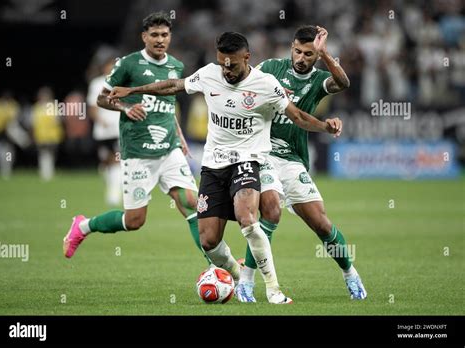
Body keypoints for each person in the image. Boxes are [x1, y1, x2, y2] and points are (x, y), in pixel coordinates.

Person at [109, 31, 343, 304]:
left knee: (248, 218)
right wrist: (133, 90)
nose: (227, 69)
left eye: (232, 63)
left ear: (247, 58)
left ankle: (273, 289)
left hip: (247, 161)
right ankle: (235, 270)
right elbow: (173, 85)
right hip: (213, 166)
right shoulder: (209, 74)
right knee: (208, 240)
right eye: (222, 63)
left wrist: (325, 126)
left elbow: (298, 116)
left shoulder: (266, 84)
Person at [236, 25, 367, 303]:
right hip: (263, 153)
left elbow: (343, 83)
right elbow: (243, 88)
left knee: (321, 224)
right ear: (291, 48)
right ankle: (246, 281)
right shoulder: (271, 67)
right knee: (270, 209)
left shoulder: (319, 78)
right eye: (297, 51)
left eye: (309, 54)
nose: (301, 58)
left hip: (293, 159)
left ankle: (350, 274)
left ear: (316, 55)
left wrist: (326, 54)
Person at [63, 12, 205, 263]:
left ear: (170, 37)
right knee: (134, 220)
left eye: (164, 35)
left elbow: (169, 105)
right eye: (154, 35)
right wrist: (126, 107)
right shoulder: (128, 64)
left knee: (192, 204)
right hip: (138, 153)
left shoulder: (176, 66)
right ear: (144, 37)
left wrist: (180, 135)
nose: (160, 39)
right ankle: (83, 226)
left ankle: (220, 267)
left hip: (169, 148)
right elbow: (101, 98)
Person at [87, 57, 122, 206]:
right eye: (109, 65)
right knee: (105, 163)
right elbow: (92, 108)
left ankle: (114, 192)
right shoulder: (96, 84)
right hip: (102, 131)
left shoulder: (122, 83)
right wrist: (101, 121)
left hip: (118, 130)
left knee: (117, 160)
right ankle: (112, 185)